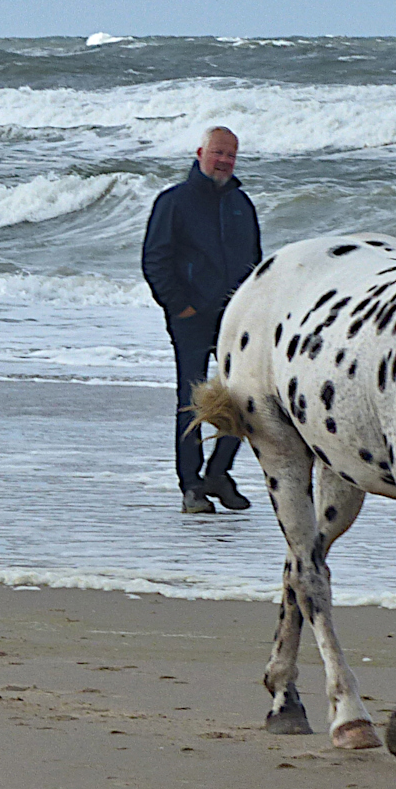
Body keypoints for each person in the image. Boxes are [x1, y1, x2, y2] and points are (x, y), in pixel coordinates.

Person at [142, 125, 261, 514]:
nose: (225, 161)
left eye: (231, 155)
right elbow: (155, 261)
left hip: (236, 319)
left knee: (244, 399)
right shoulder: (173, 202)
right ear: (200, 153)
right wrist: (180, 306)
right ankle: (191, 485)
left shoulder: (242, 204)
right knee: (191, 403)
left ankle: (219, 474)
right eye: (218, 153)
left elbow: (255, 264)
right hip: (190, 318)